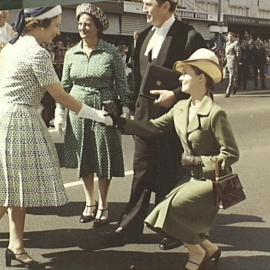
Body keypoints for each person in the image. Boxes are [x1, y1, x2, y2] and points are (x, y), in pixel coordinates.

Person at [106, 48, 239, 270]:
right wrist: (118, 121)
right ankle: (210, 249)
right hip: (190, 178)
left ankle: (197, 255)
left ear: (201, 77)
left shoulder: (215, 113)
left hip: (210, 180)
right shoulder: (180, 107)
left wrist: (198, 162)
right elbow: (153, 128)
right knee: (162, 215)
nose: (180, 78)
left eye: (186, 73)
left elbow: (231, 154)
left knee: (169, 210)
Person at [0, 6, 112, 268]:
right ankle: (15, 245)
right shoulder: (36, 53)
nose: (59, 31)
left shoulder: (12, 47)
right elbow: (60, 95)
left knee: (17, 188)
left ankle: (16, 245)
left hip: (6, 116)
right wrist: (96, 114)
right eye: (56, 25)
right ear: (40, 24)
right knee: (9, 191)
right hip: (19, 120)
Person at [102, 0, 205, 250]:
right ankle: (130, 227)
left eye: (148, 4)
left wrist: (175, 95)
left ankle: (170, 229)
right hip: (144, 115)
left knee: (169, 173)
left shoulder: (189, 36)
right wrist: (128, 106)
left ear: (167, 5)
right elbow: (138, 77)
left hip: (174, 116)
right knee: (141, 171)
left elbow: (202, 79)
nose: (144, 9)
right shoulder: (145, 35)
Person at [54, 3, 130, 227]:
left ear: (98, 27)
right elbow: (64, 85)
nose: (82, 28)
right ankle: (89, 203)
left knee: (103, 157)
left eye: (88, 24)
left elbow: (122, 82)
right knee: (84, 157)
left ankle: (104, 204)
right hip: (77, 111)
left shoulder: (111, 52)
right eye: (80, 24)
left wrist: (125, 107)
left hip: (103, 111)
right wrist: (60, 111)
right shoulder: (70, 53)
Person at [224, 32, 241, 97]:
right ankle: (235, 86)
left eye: (231, 36)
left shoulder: (236, 43)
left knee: (231, 76)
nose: (230, 37)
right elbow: (226, 53)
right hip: (227, 61)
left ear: (234, 37)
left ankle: (228, 91)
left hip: (233, 61)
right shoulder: (227, 44)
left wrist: (236, 61)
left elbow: (238, 53)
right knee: (228, 76)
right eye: (228, 36)